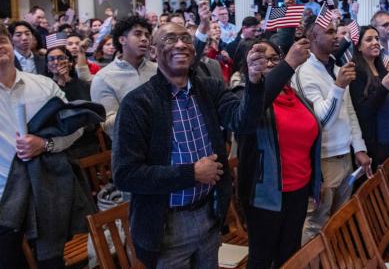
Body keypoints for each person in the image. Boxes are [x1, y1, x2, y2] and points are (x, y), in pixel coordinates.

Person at [112, 23, 273, 268]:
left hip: (209, 214)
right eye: (169, 39)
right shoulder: (137, 103)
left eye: (186, 38)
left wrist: (253, 80)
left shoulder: (209, 88)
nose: (180, 44)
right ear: (153, 52)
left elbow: (243, 122)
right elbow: (126, 175)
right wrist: (192, 173)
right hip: (166, 225)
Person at [0, 24, 90, 268]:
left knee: (53, 261)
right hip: (5, 199)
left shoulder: (43, 85)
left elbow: (76, 128)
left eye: (2, 39)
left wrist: (46, 143)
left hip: (49, 193)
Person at [235, 38, 321, 268]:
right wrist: (288, 64)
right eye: (263, 58)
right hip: (266, 194)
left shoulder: (293, 93)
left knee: (289, 254)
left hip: (298, 190)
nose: (271, 63)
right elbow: (255, 104)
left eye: (275, 58)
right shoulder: (243, 94)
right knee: (262, 259)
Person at [292, 16, 371, 243]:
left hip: (345, 156)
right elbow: (320, 121)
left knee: (339, 220)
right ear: (311, 37)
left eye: (335, 30)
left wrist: (359, 148)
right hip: (324, 160)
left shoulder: (335, 68)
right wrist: (338, 87)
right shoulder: (303, 73)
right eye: (328, 32)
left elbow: (349, 112)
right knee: (317, 223)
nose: (336, 35)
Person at [90, 16, 156, 138]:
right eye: (137, 34)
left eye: (147, 35)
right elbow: (108, 126)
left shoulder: (157, 69)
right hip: (131, 146)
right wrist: (139, 108)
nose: (144, 39)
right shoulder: (104, 78)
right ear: (122, 40)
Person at [350, 26, 389, 168]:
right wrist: (383, 88)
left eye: (377, 39)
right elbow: (363, 111)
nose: (375, 42)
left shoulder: (381, 67)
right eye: (369, 39)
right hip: (375, 145)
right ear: (359, 47)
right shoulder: (356, 71)